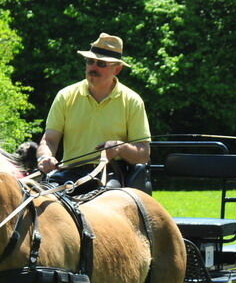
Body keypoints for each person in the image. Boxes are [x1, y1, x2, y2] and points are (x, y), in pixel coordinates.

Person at [36, 33, 152, 193]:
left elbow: (143, 154)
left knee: (106, 201)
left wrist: (119, 148)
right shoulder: (65, 96)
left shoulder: (132, 100)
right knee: (39, 202)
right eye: (90, 61)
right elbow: (49, 140)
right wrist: (45, 157)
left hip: (110, 172)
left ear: (117, 69)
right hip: (69, 172)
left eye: (101, 64)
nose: (93, 67)